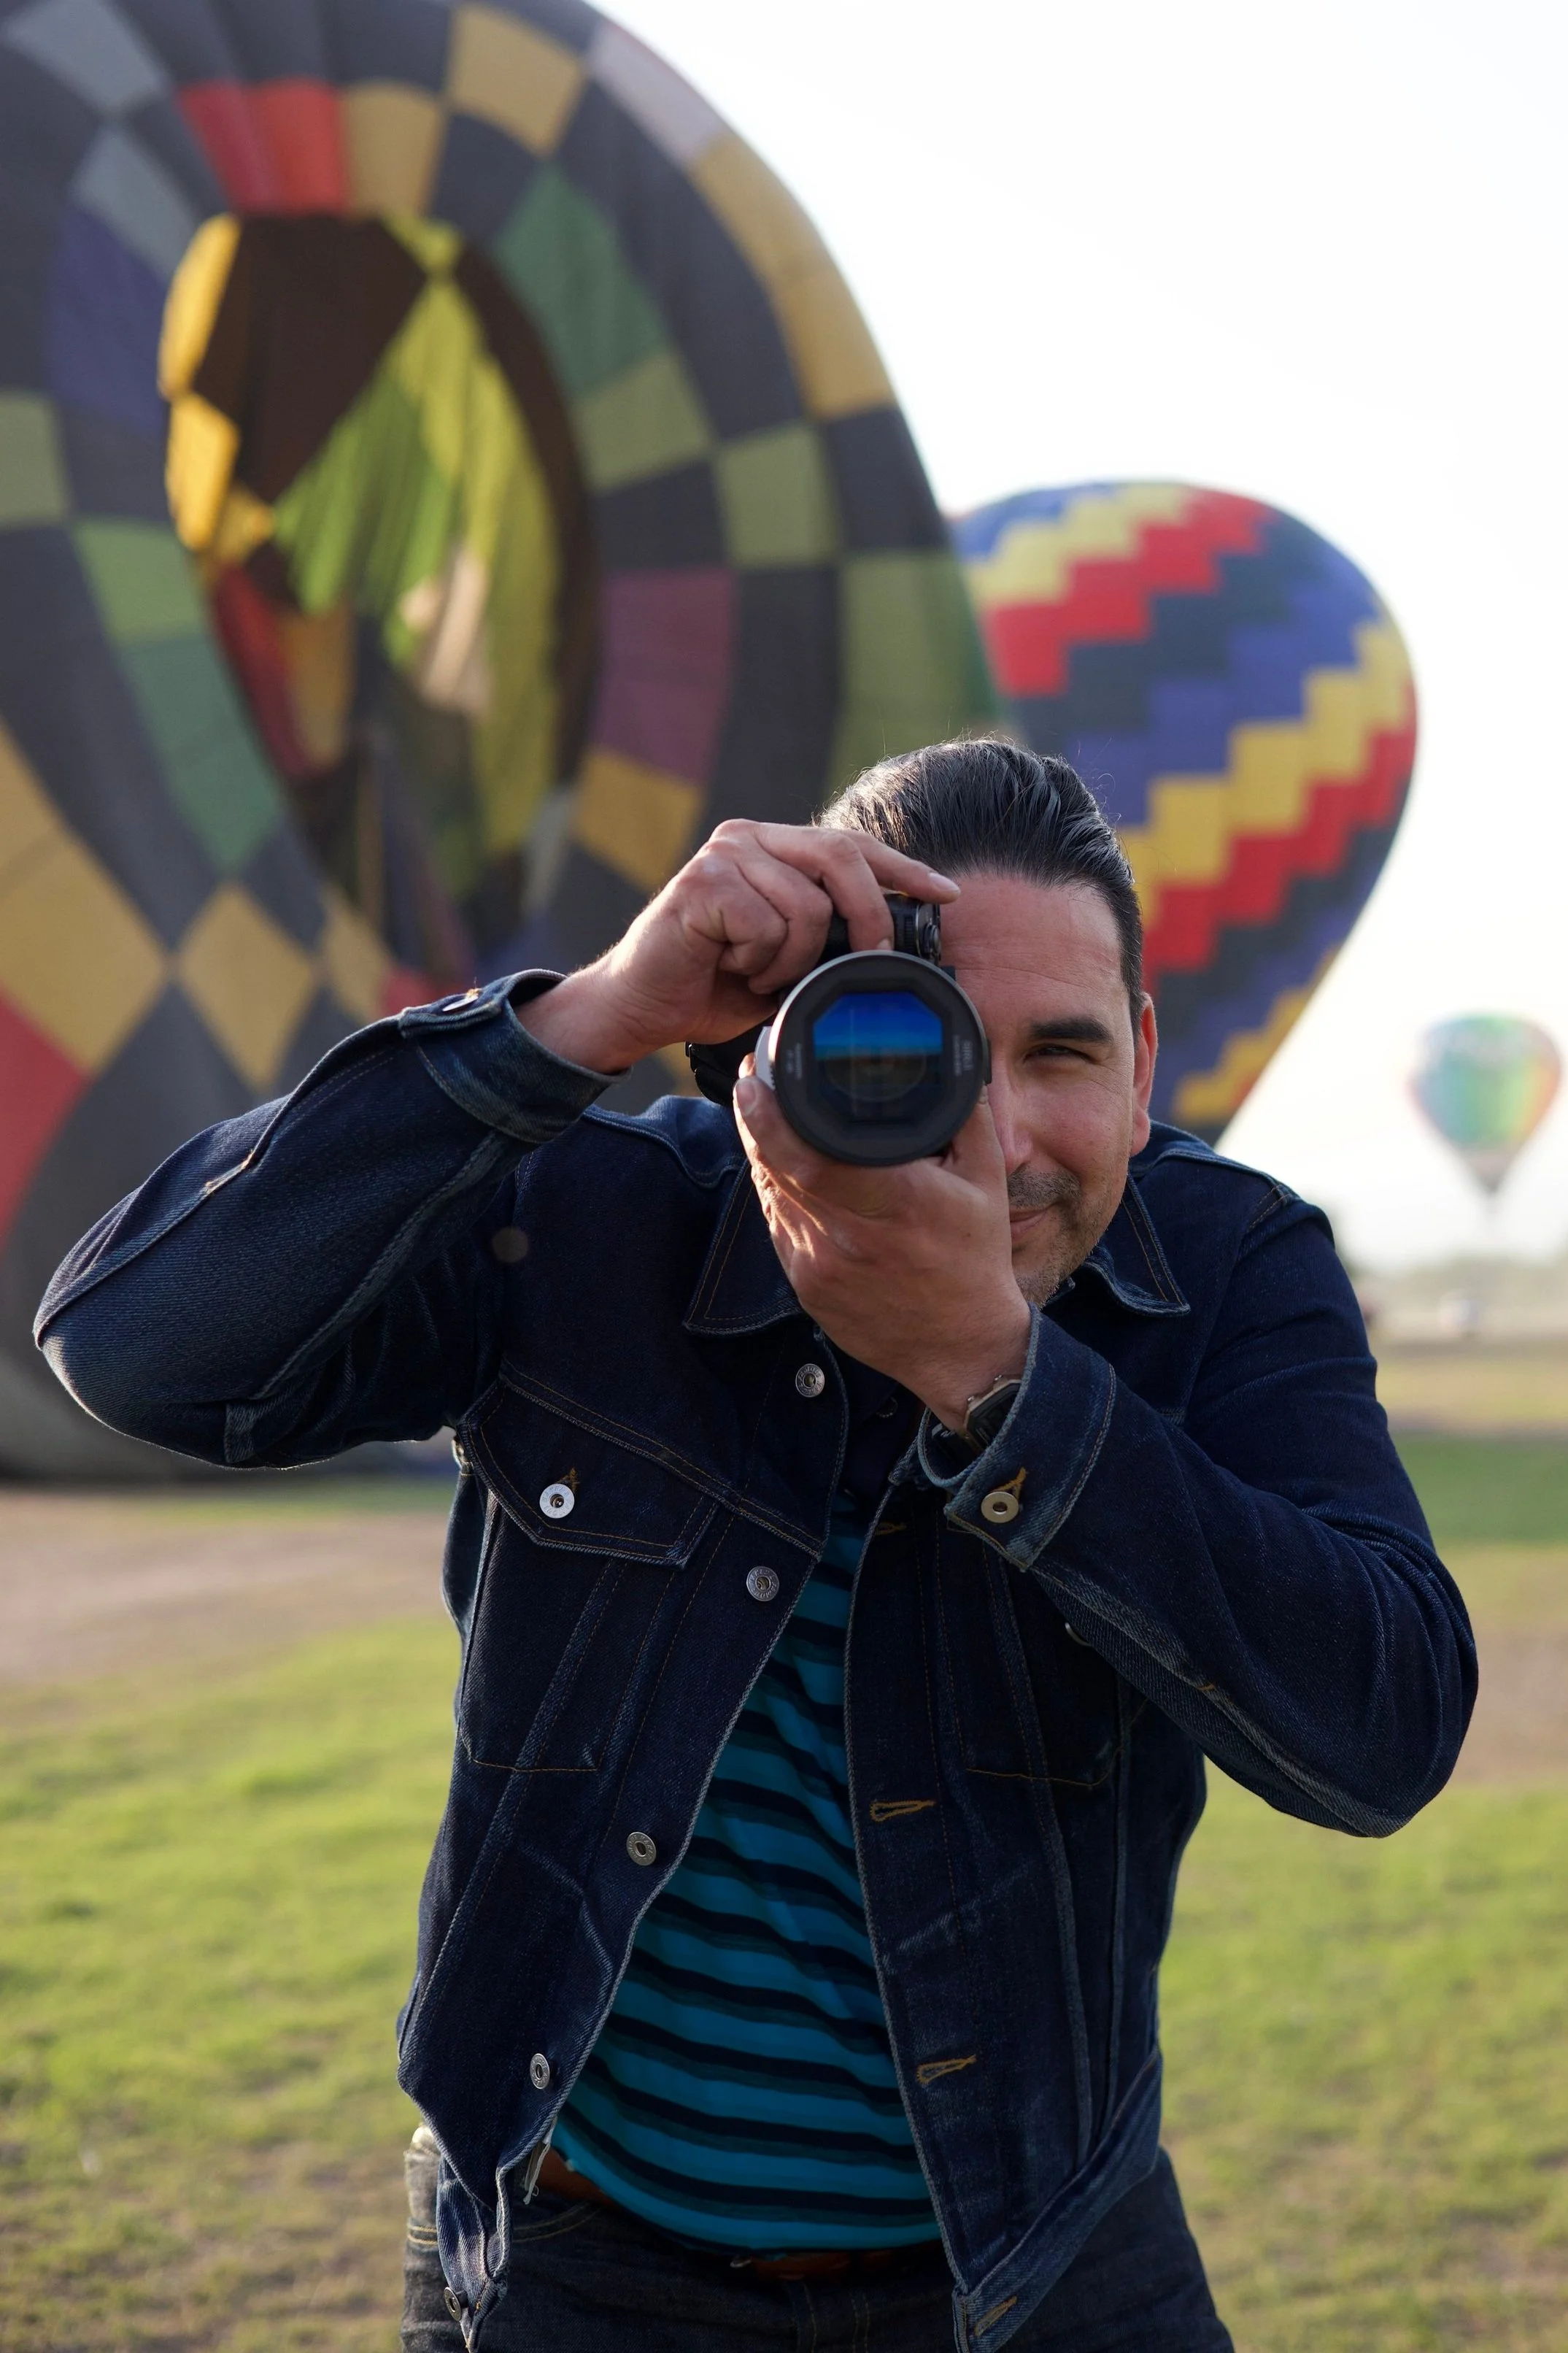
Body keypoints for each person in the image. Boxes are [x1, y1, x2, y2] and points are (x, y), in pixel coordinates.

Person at [36, 739, 1475, 2352]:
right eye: (912, 1043)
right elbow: (137, 1345)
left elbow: (1386, 1730)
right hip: (575, 2255)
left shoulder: (1231, 1265)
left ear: (1144, 1054)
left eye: (1061, 1053)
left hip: (1042, 2250)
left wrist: (995, 1377)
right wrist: (587, 1017)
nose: (991, 1142)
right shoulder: (598, 1213)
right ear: (775, 1053)